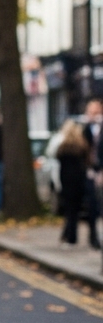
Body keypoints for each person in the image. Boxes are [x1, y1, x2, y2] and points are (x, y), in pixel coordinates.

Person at [56, 119, 90, 245]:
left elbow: (60, 164)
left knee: (69, 209)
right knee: (75, 210)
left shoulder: (63, 147)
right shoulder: (82, 145)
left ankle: (69, 235)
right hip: (79, 181)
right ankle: (70, 235)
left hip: (67, 181)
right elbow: (88, 162)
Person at [82, 99, 103, 249]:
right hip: (89, 171)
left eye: (97, 112)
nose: (94, 115)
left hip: (101, 170)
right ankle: (93, 236)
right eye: (92, 112)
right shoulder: (84, 129)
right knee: (92, 206)